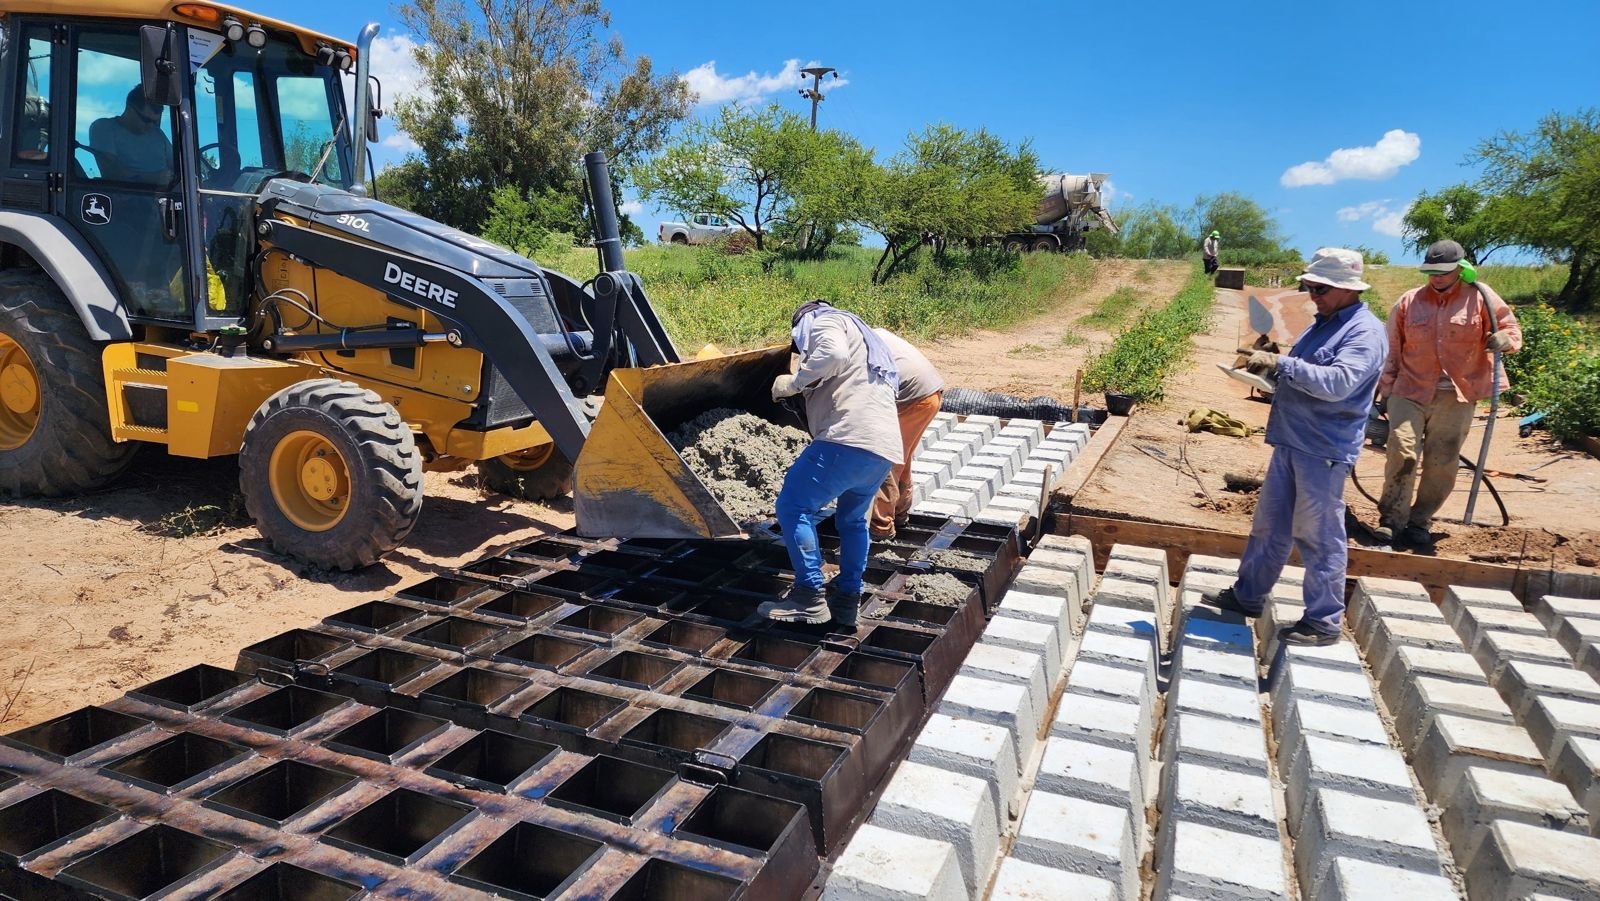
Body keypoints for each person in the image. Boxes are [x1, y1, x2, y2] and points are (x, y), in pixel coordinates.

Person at [1205, 248, 1388, 646]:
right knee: (1269, 527)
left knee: (1318, 536)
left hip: (1323, 449)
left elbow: (1338, 383)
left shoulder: (1364, 332)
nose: (1312, 296)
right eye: (1309, 288)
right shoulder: (1322, 325)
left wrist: (1283, 366)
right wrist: (1269, 369)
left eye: (1320, 289)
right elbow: (1304, 376)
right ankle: (1248, 595)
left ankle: (1323, 621)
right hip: (1292, 439)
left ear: (1347, 288)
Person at [1373, 240, 1521, 547]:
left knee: (1442, 461)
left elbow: (1510, 328)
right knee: (1402, 451)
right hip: (1409, 389)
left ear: (1459, 268)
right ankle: (1391, 520)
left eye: (1443, 272)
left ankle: (1419, 522)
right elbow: (1393, 349)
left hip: (1458, 394)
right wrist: (1385, 391)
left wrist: (1505, 339)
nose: (1437, 278)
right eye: (1432, 272)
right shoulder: (1409, 301)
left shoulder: (1480, 296)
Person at [765, 300, 903, 628]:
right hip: (882, 449)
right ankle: (847, 599)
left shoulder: (825, 321)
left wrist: (794, 382)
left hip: (847, 439)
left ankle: (809, 595)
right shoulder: (866, 341)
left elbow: (833, 354)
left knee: (793, 507)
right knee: (853, 522)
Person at [869, 328, 946, 541]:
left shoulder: (853, 345)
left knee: (883, 459)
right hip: (930, 394)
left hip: (912, 398)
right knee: (901, 458)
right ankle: (899, 513)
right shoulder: (871, 333)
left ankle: (881, 526)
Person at [89, 87, 173, 184]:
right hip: (127, 192)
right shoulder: (104, 127)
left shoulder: (157, 133)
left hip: (167, 192)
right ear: (130, 109)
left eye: (155, 122)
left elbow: (177, 166)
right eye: (146, 120)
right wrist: (154, 179)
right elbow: (111, 172)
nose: (151, 126)